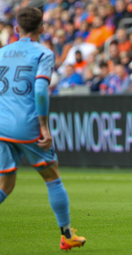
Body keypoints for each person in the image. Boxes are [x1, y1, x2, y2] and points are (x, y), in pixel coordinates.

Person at [0, 7, 86, 251]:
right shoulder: (43, 53)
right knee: (52, 177)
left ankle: (68, 234)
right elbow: (40, 90)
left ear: (16, 29)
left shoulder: (2, 52)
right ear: (42, 29)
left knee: (5, 184)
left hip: (1, 125)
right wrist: (43, 127)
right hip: (25, 125)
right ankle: (67, 235)